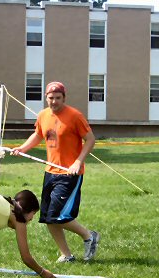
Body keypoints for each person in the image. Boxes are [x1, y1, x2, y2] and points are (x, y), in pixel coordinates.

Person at [12, 81, 100, 263]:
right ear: (46, 98)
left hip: (70, 173)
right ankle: (66, 255)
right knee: (47, 218)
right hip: (50, 172)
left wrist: (77, 162)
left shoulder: (75, 116)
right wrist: (23, 148)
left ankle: (89, 236)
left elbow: (90, 139)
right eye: (51, 98)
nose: (54, 101)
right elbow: (38, 135)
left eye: (58, 98)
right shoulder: (43, 115)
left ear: (64, 98)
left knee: (58, 215)